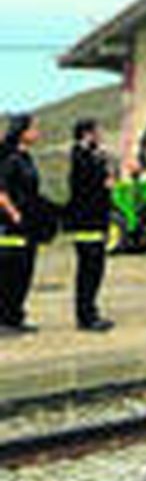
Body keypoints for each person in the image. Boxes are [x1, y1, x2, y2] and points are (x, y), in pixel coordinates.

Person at [63, 118, 115, 331]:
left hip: (97, 221)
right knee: (88, 271)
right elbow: (88, 186)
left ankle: (91, 311)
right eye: (97, 131)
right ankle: (85, 316)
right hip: (87, 222)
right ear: (87, 133)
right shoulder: (80, 156)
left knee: (96, 271)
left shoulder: (93, 155)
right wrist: (105, 181)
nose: (101, 135)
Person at [0, 114, 47, 334]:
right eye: (34, 128)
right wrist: (14, 214)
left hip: (29, 224)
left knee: (24, 273)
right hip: (12, 226)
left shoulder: (26, 158)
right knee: (10, 273)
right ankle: (4, 320)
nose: (38, 132)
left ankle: (15, 316)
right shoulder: (10, 159)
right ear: (22, 132)